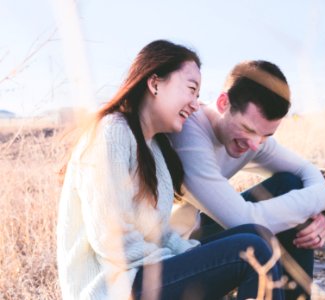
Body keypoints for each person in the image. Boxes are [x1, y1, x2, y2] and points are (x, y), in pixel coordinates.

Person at [57, 41, 284, 300]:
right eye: (191, 90)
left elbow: (159, 232)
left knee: (257, 234)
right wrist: (180, 264)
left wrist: (191, 258)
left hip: (143, 276)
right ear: (155, 84)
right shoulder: (112, 132)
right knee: (250, 250)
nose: (196, 104)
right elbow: (111, 239)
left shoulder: (154, 149)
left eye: (198, 96)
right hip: (113, 288)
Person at [169, 60, 325, 299]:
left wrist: (318, 214)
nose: (255, 144)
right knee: (259, 237)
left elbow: (305, 170)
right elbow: (242, 219)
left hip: (196, 236)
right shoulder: (189, 133)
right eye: (248, 129)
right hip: (170, 258)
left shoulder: (254, 139)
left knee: (290, 184)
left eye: (266, 135)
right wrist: (321, 198)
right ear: (223, 103)